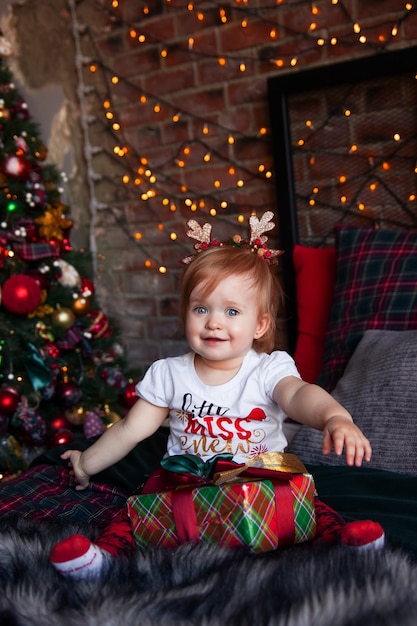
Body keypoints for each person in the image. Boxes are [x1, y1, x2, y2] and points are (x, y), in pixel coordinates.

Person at [50, 212, 384, 579]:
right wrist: (85, 463)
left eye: (231, 311)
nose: (214, 322)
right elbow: (131, 429)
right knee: (135, 514)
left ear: (259, 325)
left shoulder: (268, 369)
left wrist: (334, 418)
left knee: (307, 507)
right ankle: (102, 557)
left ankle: (344, 542)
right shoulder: (170, 374)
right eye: (201, 308)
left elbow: (300, 395)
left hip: (258, 479)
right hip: (187, 484)